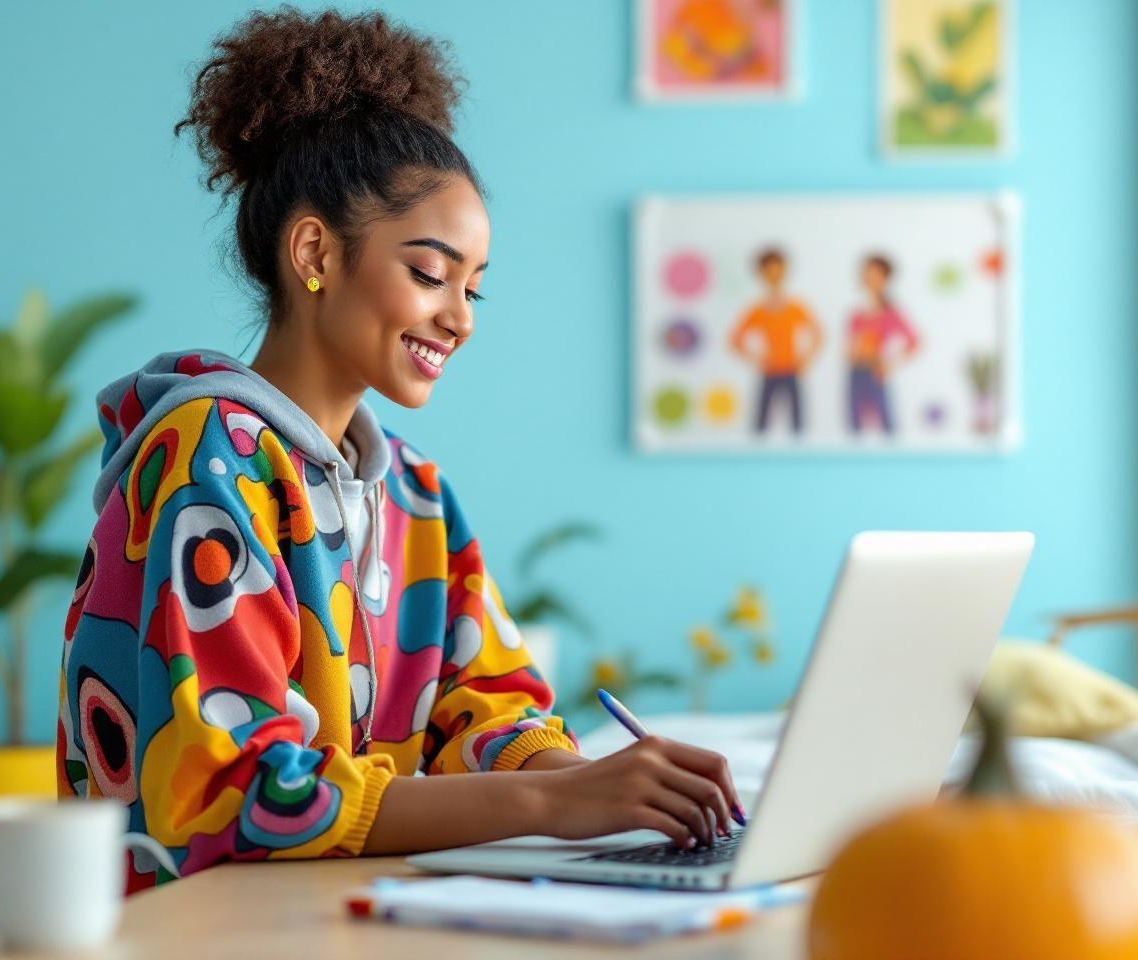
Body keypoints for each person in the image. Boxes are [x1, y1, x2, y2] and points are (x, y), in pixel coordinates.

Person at [56, 7, 738, 892]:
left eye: (473, 291)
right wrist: (550, 803)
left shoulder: (414, 490)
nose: (459, 319)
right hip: (201, 927)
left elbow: (484, 706)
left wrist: (602, 785)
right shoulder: (208, 460)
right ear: (314, 253)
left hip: (334, 914)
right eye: (430, 274)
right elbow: (236, 791)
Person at [729, 248, 822, 434]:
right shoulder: (758, 310)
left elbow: (817, 333)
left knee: (797, 422)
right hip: (770, 370)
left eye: (778, 271)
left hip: (792, 369)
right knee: (761, 421)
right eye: (769, 272)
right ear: (761, 275)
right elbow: (735, 339)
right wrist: (755, 357)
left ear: (785, 272)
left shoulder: (795, 307)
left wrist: (807, 357)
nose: (774, 277)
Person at [847, 254, 919, 434]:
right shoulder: (857, 314)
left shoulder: (890, 312)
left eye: (874, 274)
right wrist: (851, 352)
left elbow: (914, 341)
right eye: (866, 273)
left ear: (885, 279)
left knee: (886, 422)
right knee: (854, 421)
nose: (869, 278)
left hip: (875, 371)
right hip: (856, 371)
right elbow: (852, 343)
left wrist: (891, 363)